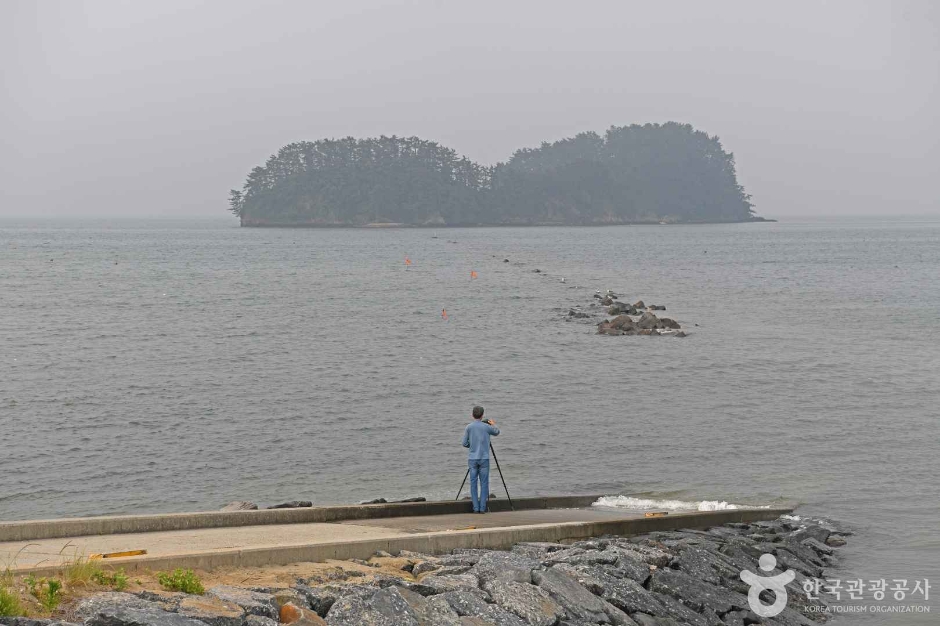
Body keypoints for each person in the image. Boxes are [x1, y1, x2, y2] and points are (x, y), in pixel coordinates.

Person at [461, 405, 499, 513]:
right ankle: (482, 508)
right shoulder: (486, 427)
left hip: (472, 459)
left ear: (472, 415)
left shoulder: (468, 427)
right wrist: (492, 424)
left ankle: (475, 508)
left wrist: (472, 446)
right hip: (484, 459)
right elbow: (497, 432)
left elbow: (464, 443)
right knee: (484, 483)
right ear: (482, 415)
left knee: (473, 484)